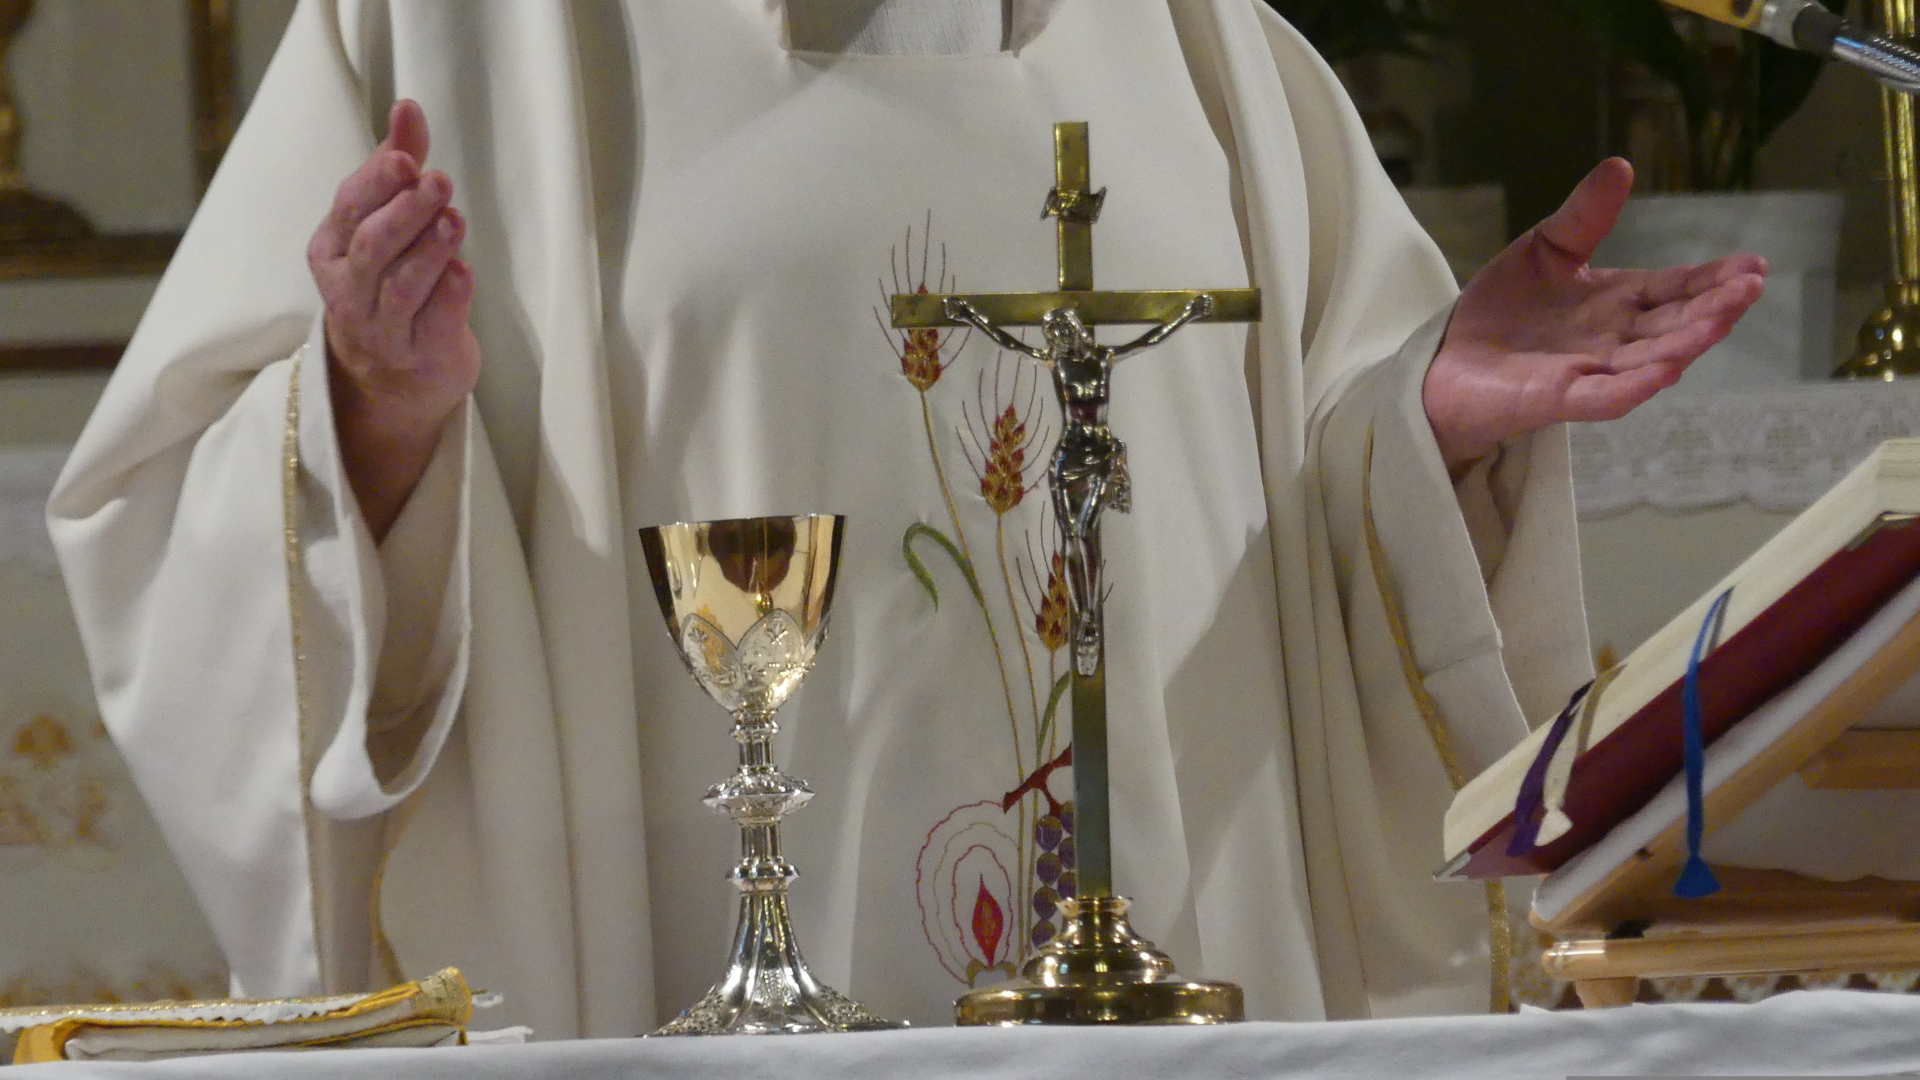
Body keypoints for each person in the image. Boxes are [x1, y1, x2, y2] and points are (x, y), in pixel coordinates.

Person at [48, 0, 1764, 1037]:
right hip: (665, 972)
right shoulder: (465, 37)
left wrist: (1427, 418)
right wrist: (371, 415)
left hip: (1168, 983)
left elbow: (1312, 493)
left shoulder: (1202, 46)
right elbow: (177, 516)